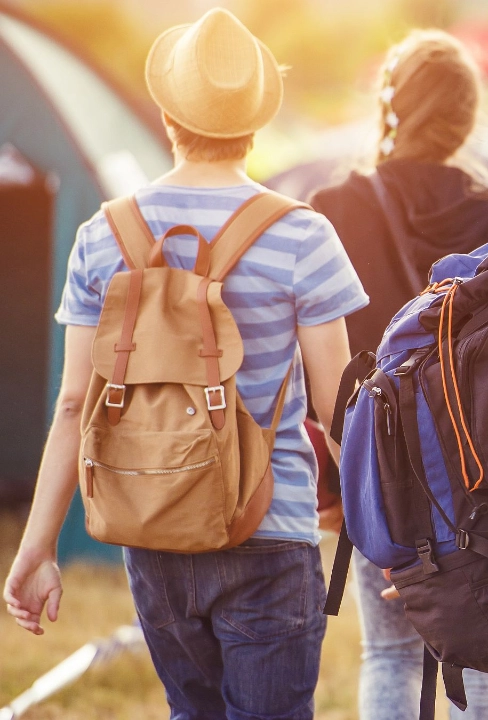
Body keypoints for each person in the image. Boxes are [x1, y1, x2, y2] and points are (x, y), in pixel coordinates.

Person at [3, 9, 369, 719]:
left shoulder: (102, 235)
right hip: (272, 529)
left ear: (166, 111)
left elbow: (75, 404)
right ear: (255, 121)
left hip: (151, 527)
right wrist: (379, 526)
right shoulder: (303, 236)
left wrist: (37, 545)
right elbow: (338, 409)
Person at [309, 30, 488, 720]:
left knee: (391, 654)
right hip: (477, 474)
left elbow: (319, 361)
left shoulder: (335, 207)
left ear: (392, 104)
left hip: (374, 467)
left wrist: (337, 476)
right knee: (481, 647)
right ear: (465, 116)